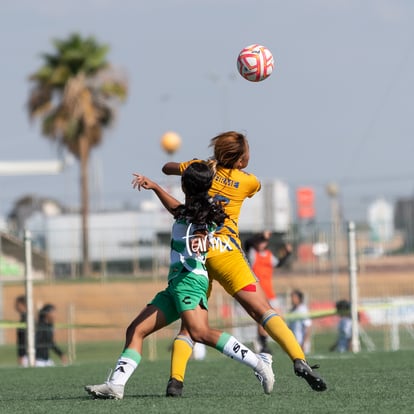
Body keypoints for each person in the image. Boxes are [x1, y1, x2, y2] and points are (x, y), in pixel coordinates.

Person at [85, 161, 274, 400]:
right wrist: (154, 187)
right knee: (136, 330)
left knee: (200, 333)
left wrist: (201, 238)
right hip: (176, 284)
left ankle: (260, 365)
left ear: (185, 184)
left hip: (190, 282)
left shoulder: (205, 212)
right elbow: (176, 209)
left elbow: (202, 230)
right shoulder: (190, 209)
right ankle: (116, 385)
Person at [162, 131, 326, 396]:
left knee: (190, 326)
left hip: (197, 254)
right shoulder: (248, 181)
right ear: (240, 160)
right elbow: (252, 186)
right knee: (264, 311)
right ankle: (299, 359)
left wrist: (193, 166)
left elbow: (167, 168)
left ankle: (175, 381)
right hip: (226, 253)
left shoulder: (198, 170)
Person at [246, 234, 292, 354]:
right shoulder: (252, 254)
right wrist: (262, 235)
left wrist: (287, 253)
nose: (262, 244)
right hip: (258, 292)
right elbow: (247, 244)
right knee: (262, 319)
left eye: (264, 242)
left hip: (269, 292)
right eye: (260, 242)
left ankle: (264, 341)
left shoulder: (268, 255)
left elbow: (279, 264)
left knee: (279, 318)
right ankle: (263, 344)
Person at [287, 290, 312, 354]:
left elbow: (308, 327)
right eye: (291, 297)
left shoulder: (303, 310)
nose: (292, 299)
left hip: (301, 343)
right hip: (293, 343)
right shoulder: (292, 310)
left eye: (294, 297)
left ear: (299, 298)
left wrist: (304, 343)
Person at [15, 295, 28, 367]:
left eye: (17, 305)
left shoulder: (25, 319)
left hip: (26, 355)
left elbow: (23, 339)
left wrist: (21, 355)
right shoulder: (24, 318)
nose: (16, 307)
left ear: (23, 305)